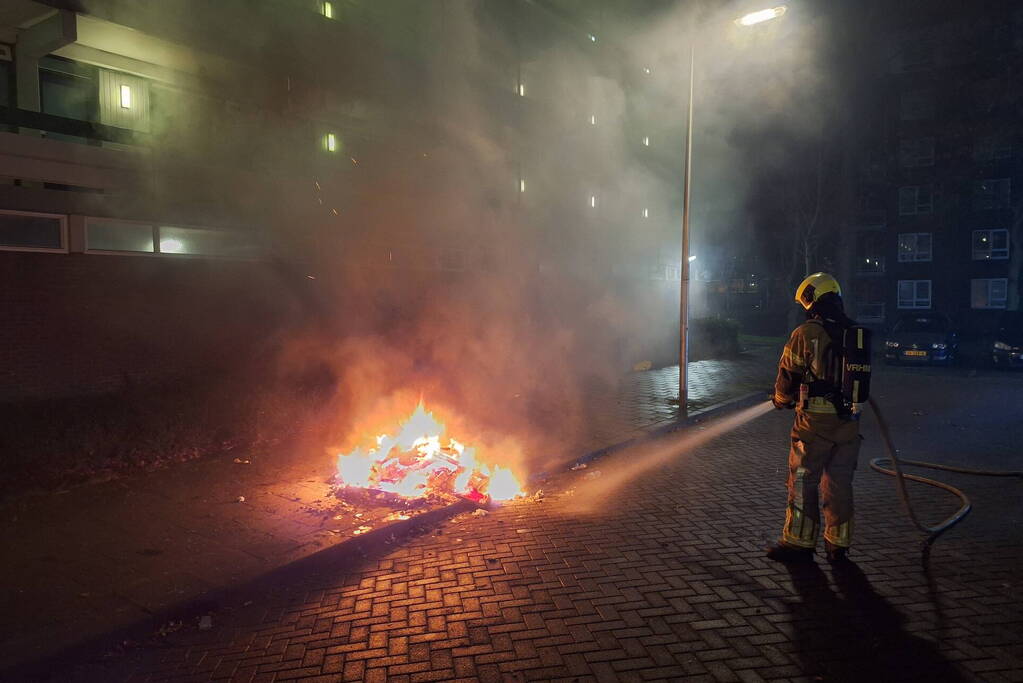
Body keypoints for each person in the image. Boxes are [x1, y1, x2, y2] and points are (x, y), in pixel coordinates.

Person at [766, 272, 861, 563]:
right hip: (849, 424)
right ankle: (838, 545)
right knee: (839, 484)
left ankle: (799, 543)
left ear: (813, 300)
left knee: (804, 481)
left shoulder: (806, 333)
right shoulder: (853, 333)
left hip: (814, 425)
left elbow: (787, 375)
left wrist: (781, 400)